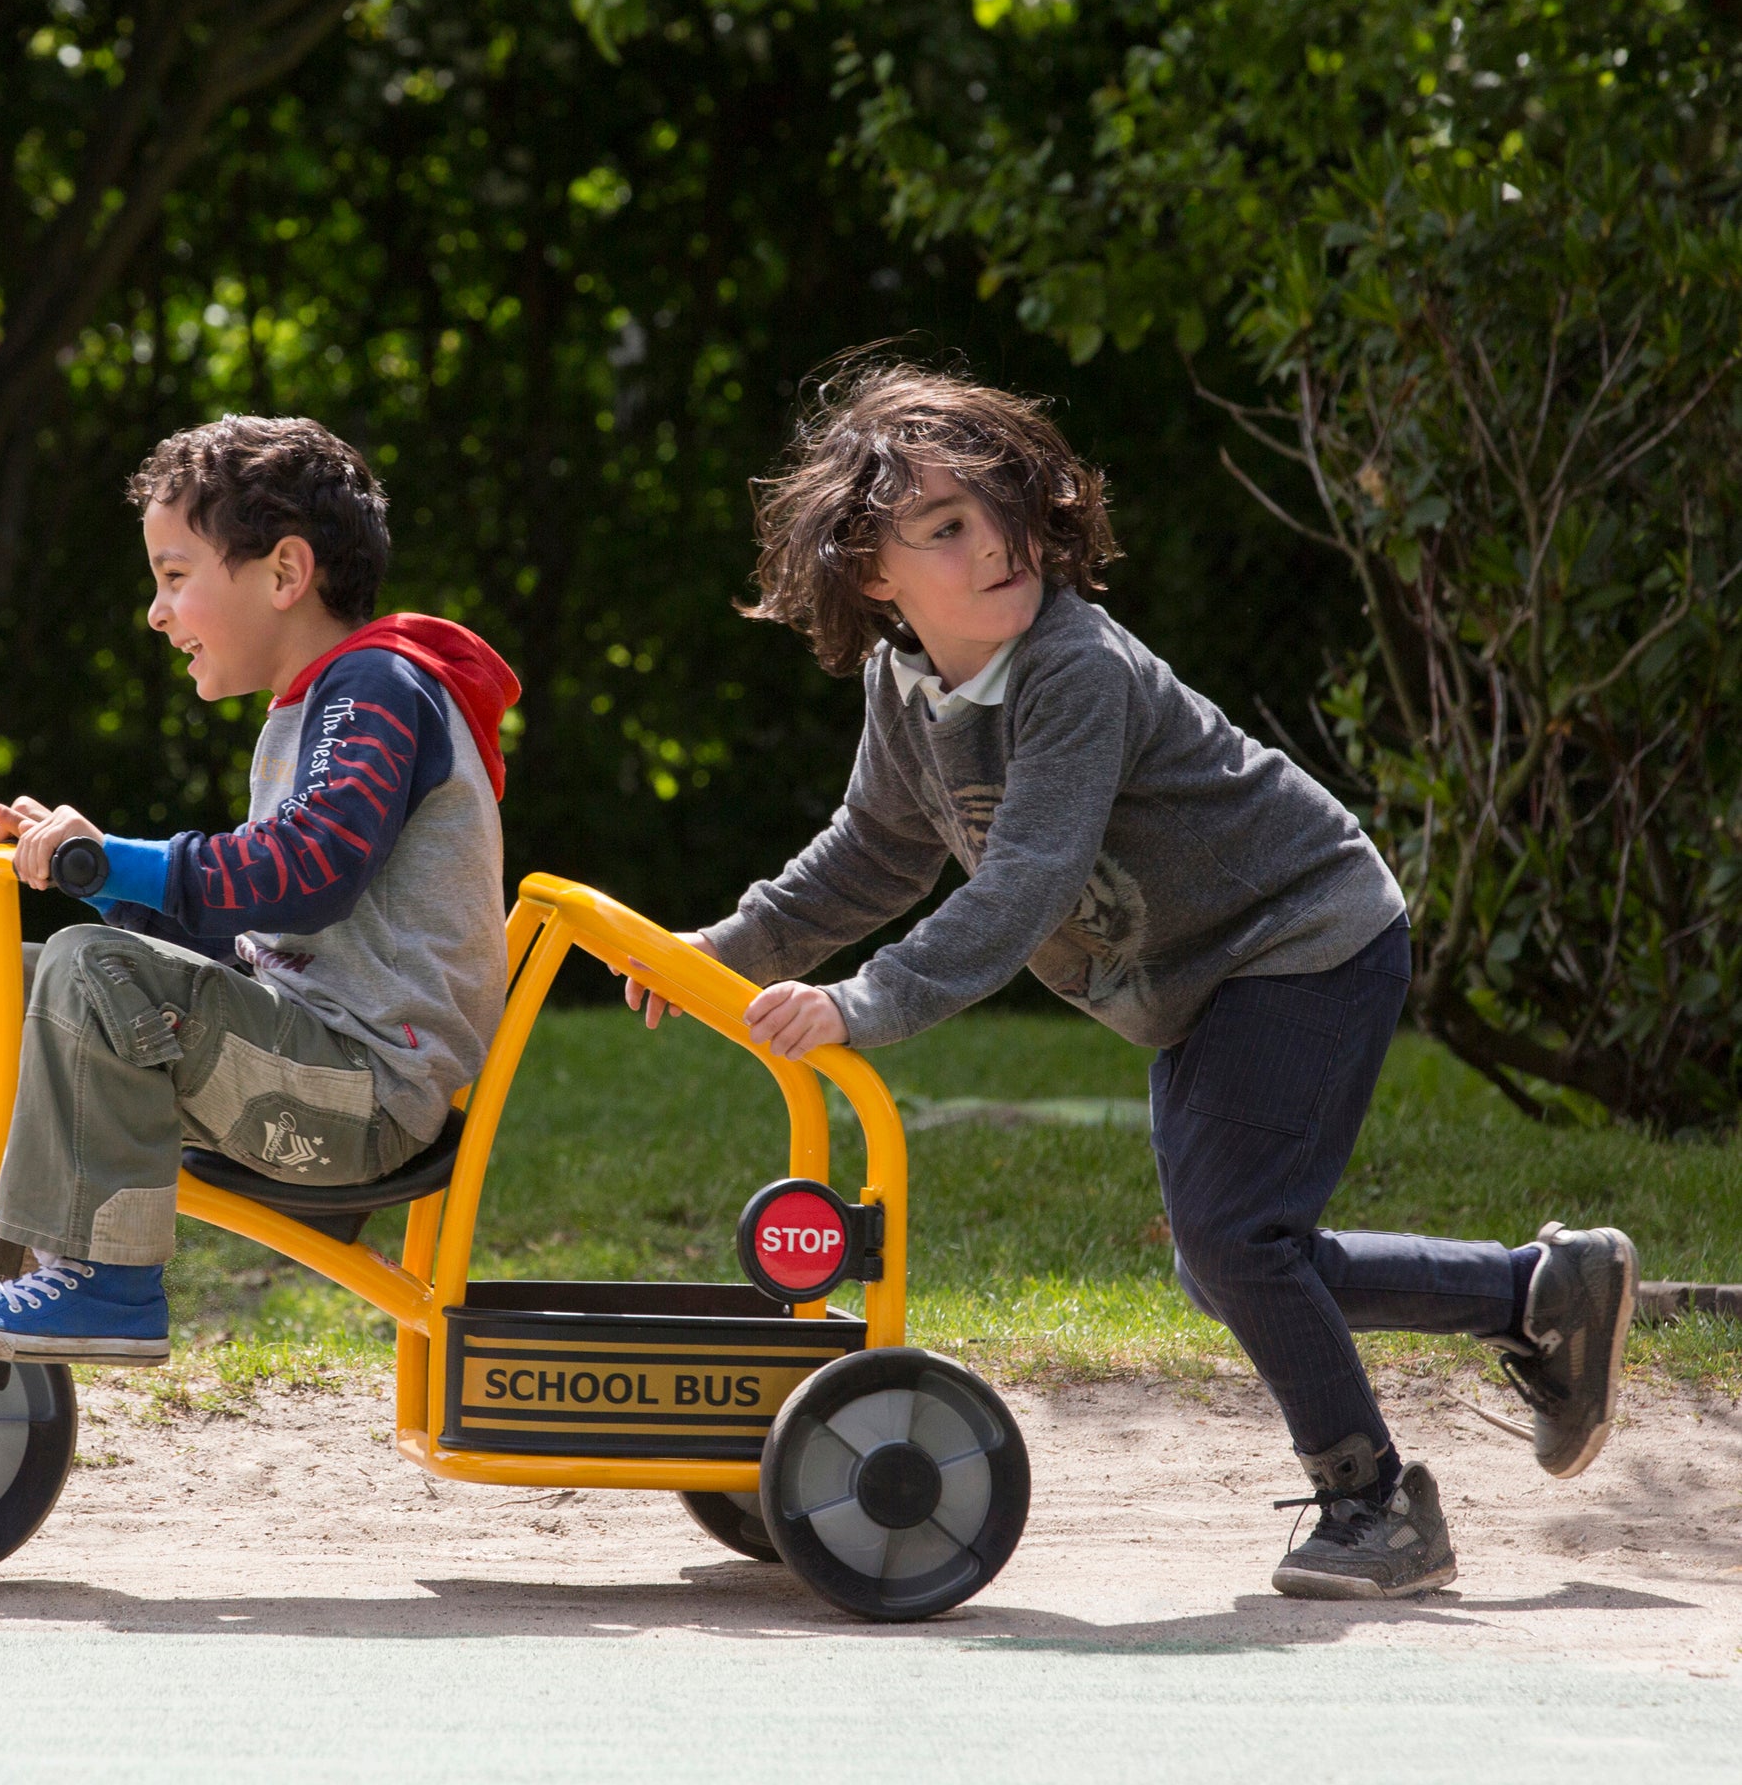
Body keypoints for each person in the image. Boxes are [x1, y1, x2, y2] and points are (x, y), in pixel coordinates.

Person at [627, 362, 1637, 1600]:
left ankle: (1375, 1504)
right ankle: (1541, 1295)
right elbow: (873, 855)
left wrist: (860, 1002)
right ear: (870, 568)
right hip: (1202, 977)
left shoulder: (1071, 666)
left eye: (1004, 507)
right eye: (945, 527)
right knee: (1226, 1259)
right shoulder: (909, 686)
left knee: (1235, 1237)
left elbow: (1025, 889)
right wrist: (728, 951)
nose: (994, 542)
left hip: (1302, 935)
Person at [0, 415, 518, 1367]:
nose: (157, 611)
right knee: (11, 985)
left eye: (175, 576)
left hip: (366, 1095)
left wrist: (111, 864)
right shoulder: (330, 700)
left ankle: (105, 1285)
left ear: (283, 574)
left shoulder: (378, 687)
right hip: (308, 1061)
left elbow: (308, 871)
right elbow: (272, 934)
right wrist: (118, 892)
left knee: (84, 969)